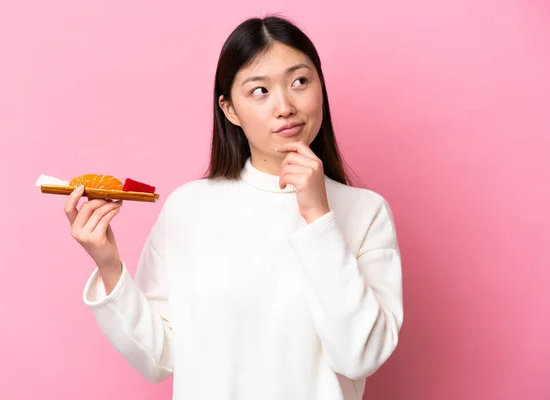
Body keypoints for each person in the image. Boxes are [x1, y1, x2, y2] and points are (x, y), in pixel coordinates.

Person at [64, 15, 403, 400]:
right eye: (259, 90)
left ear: (321, 88)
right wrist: (108, 266)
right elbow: (159, 357)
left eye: (300, 82)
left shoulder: (366, 213)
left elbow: (360, 357)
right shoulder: (188, 209)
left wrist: (318, 218)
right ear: (229, 109)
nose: (285, 106)